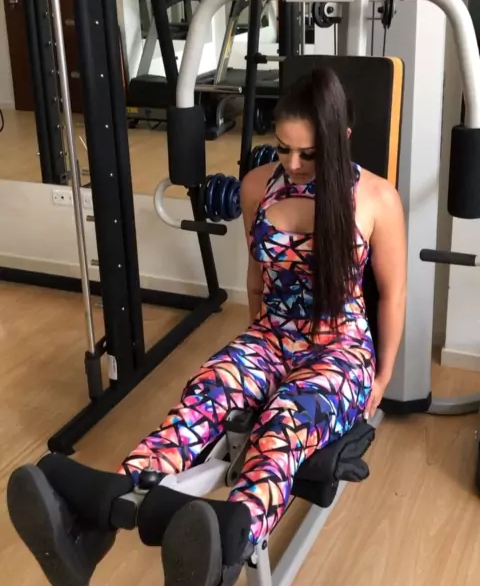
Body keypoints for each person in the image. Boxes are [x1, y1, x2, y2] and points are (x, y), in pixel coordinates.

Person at [6, 66, 407, 586]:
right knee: (206, 394)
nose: (292, 164)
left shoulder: (376, 199)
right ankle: (94, 520)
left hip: (340, 351)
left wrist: (381, 378)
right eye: (283, 148)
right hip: (271, 337)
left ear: (341, 139)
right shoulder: (258, 187)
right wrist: (251, 355)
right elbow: (258, 277)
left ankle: (228, 542)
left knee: (283, 423)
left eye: (307, 154)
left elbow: (393, 294)